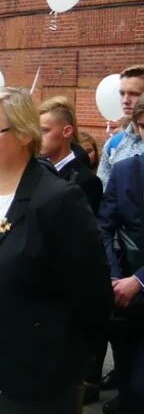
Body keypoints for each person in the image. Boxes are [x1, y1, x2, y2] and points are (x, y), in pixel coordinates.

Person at [0, 87, 112, 413]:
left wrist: (66, 368)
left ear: (25, 134)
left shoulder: (56, 200)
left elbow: (92, 296)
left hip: (27, 386)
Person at [99, 150, 144, 414]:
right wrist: (114, 276)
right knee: (128, 380)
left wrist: (139, 281)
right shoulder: (124, 169)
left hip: (135, 285)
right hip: (124, 298)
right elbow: (104, 226)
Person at [39, 96, 103, 214]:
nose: (37, 137)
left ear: (67, 131)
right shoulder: (34, 169)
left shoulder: (88, 181)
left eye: (44, 130)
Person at [99, 66, 144, 188]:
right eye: (122, 93)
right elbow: (104, 190)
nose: (125, 100)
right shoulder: (113, 144)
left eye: (134, 94)